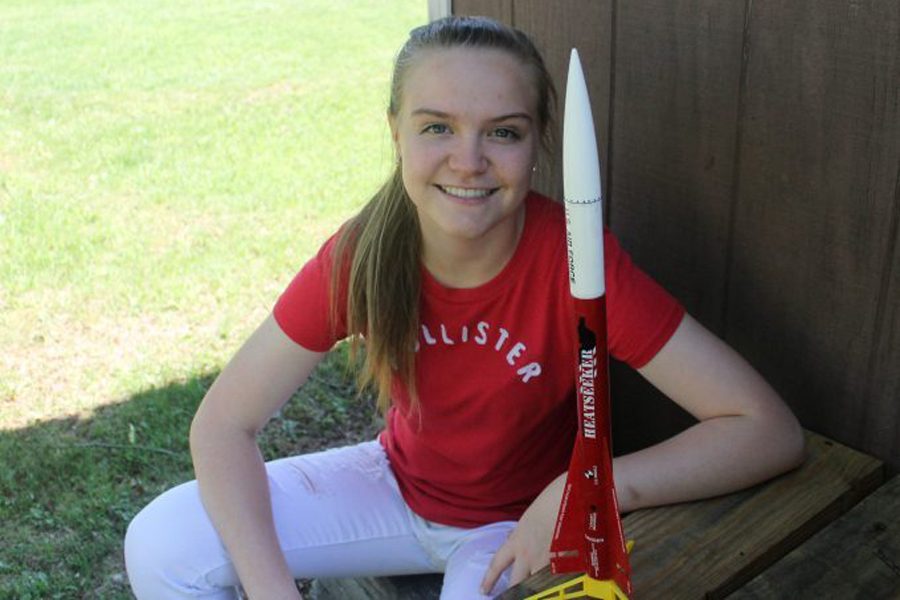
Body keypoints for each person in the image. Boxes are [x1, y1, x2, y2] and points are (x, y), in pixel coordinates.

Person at [124, 15, 805, 600]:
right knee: (162, 542)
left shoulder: (577, 261)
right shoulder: (363, 252)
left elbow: (765, 428)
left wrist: (581, 491)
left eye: (502, 132)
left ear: (538, 142)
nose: (469, 160)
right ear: (397, 132)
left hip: (513, 529)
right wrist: (272, 590)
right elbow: (221, 426)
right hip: (391, 490)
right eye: (438, 127)